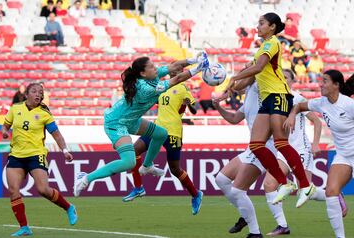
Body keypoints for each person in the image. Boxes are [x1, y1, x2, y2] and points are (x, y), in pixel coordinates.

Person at [73, 53, 209, 197]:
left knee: (161, 133)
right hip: (116, 123)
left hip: (131, 120)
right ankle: (86, 178)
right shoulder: (145, 88)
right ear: (143, 73)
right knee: (129, 162)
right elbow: (177, 79)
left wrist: (194, 60)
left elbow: (175, 66)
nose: (155, 67)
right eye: (151, 66)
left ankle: (147, 166)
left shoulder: (152, 76)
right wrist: (197, 69)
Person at [225, 12, 315, 207]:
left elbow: (257, 68)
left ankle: (306, 185)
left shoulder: (272, 43)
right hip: (267, 99)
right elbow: (247, 79)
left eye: (261, 23)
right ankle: (285, 183)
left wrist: (234, 77)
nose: (257, 26)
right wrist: (229, 88)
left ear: (272, 27)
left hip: (280, 95)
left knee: (281, 142)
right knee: (256, 145)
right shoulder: (260, 51)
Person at [1, 83, 77, 237]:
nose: (38, 94)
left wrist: (65, 150)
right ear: (26, 94)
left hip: (36, 154)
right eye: (34, 91)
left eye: (40, 92)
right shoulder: (15, 108)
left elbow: (56, 134)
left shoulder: (44, 113)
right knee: (13, 190)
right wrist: (4, 132)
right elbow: (5, 126)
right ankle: (24, 228)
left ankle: (68, 207)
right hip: (16, 155)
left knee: (42, 189)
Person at [123, 68, 202, 215]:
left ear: (182, 71)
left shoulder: (183, 88)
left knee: (175, 169)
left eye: (178, 69)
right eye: (173, 69)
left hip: (173, 132)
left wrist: (188, 104)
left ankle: (196, 194)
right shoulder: (162, 86)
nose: (174, 71)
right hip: (157, 129)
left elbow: (195, 110)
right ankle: (138, 187)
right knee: (134, 150)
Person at [284, 70, 354, 238]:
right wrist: (292, 115)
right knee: (331, 192)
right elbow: (299, 106)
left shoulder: (348, 105)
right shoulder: (321, 103)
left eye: (325, 81)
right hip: (343, 155)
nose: (321, 84)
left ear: (336, 85)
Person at [263, 69, 330, 236]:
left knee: (305, 191)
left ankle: (334, 195)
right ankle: (282, 225)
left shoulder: (297, 98)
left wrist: (315, 144)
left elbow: (317, 122)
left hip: (301, 148)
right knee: (269, 184)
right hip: (282, 149)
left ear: (292, 81)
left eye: (286, 77)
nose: (283, 79)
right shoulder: (273, 99)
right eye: (281, 77)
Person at [215, 78, 271, 238]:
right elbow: (234, 119)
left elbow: (245, 78)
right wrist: (218, 107)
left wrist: (230, 86)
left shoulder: (259, 87)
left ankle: (255, 232)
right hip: (252, 147)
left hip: (264, 146)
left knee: (238, 191)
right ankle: (245, 216)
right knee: (221, 179)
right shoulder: (248, 98)